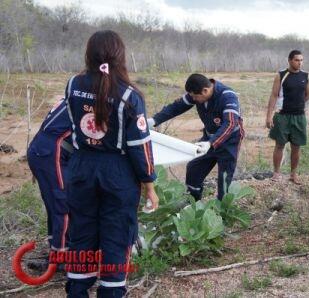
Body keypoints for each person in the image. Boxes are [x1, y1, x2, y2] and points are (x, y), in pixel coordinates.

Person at [64, 30, 158, 297]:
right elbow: (139, 145)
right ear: (119, 55)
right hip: (116, 173)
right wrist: (149, 184)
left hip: (81, 167)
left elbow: (72, 124)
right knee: (116, 235)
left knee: (81, 233)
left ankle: (77, 291)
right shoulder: (129, 95)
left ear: (89, 53)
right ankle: (112, 292)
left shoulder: (73, 84)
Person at [148, 73, 244, 201]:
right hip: (209, 138)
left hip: (229, 140)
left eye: (195, 96)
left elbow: (230, 123)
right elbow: (176, 107)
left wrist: (211, 143)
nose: (193, 99)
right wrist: (154, 120)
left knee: (224, 179)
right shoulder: (197, 93)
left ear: (205, 90)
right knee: (194, 168)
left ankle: (222, 211)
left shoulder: (227, 96)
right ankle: (194, 203)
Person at [27, 97, 73, 264]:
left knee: (55, 204)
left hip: (41, 150)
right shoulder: (88, 98)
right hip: (52, 153)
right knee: (63, 204)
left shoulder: (74, 92)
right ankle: (61, 258)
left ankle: (56, 249)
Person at [265, 50, 309, 184]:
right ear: (290, 60)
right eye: (297, 60)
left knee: (296, 146)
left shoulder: (305, 76)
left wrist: (298, 104)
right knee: (279, 145)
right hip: (282, 116)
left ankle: (293, 175)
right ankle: (276, 173)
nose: (300, 63)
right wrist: (269, 116)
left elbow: (308, 95)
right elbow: (274, 95)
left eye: (301, 60)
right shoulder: (281, 75)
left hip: (299, 117)